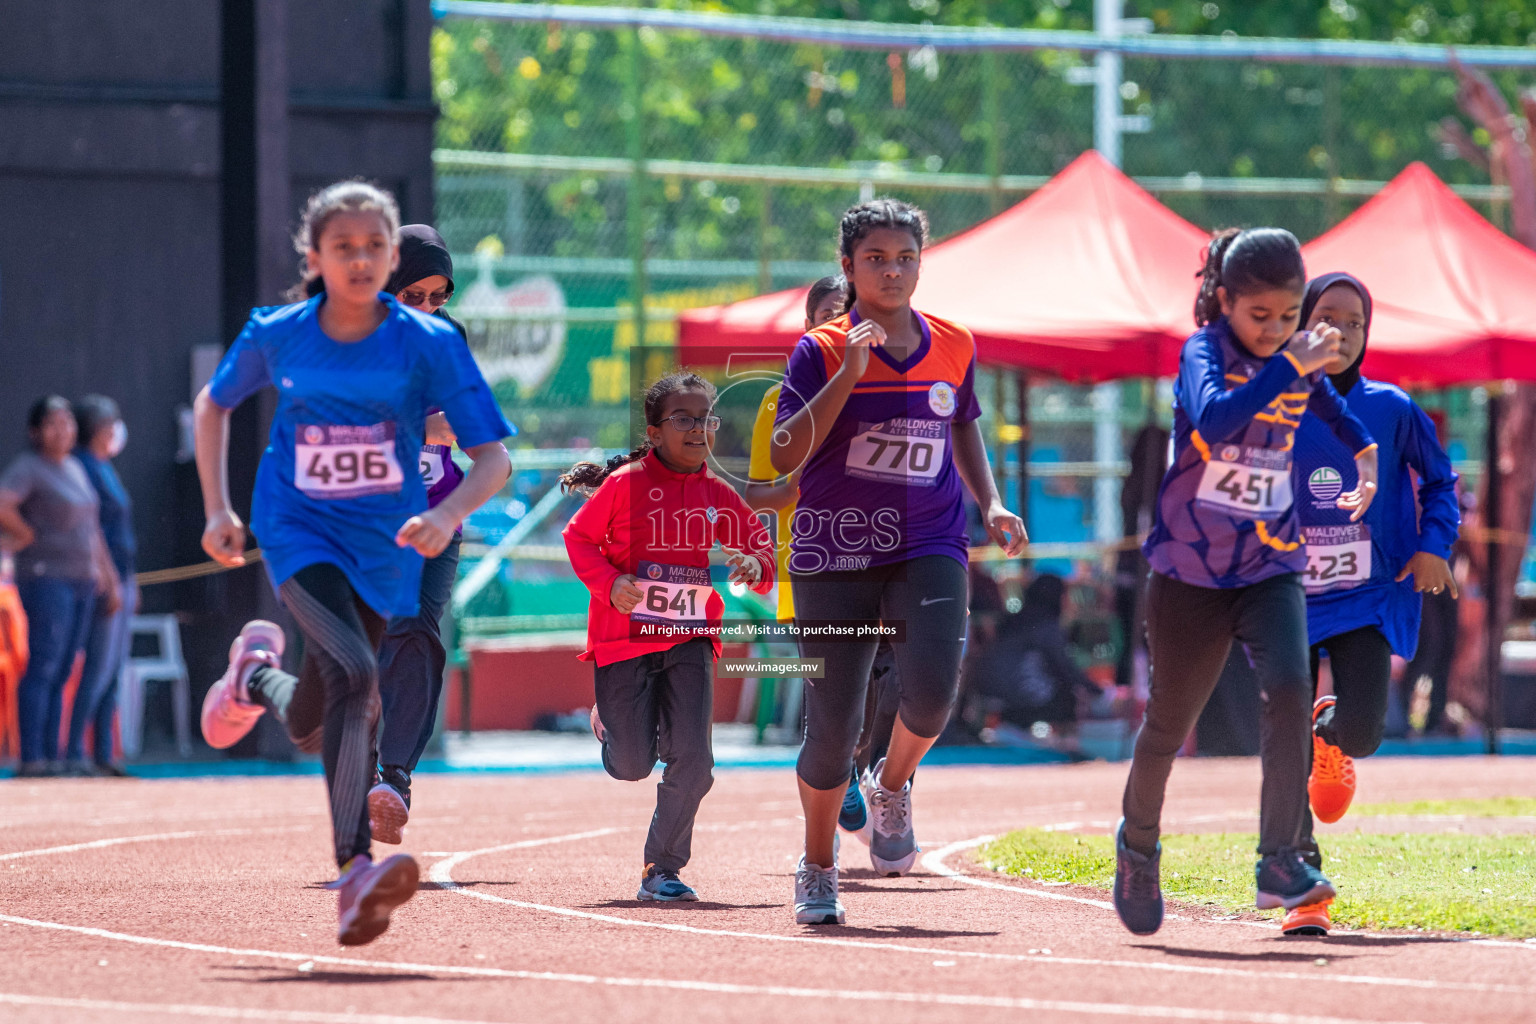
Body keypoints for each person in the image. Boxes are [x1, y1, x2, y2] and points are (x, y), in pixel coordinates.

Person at [193, 181, 513, 945]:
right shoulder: (279, 332)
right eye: (345, 247)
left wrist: (444, 513)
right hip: (298, 528)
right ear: (316, 258)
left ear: (390, 255)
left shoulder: (433, 343)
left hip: (390, 538)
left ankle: (254, 678)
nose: (362, 259)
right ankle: (354, 870)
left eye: (375, 246)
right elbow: (214, 406)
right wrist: (217, 509)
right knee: (360, 677)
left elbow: (493, 458)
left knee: (318, 706)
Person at [1113, 228, 1379, 937]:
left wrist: (1367, 453)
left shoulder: (1297, 356)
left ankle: (1281, 860)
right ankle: (1137, 845)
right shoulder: (1202, 353)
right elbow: (1217, 419)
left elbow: (1334, 409)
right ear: (1225, 301)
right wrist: (1287, 362)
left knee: (1292, 689)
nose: (1275, 331)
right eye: (1259, 316)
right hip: (1190, 576)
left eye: (1289, 316)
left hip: (1270, 565)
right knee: (1168, 724)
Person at [770, 198, 1026, 925]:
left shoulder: (954, 343)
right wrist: (848, 372)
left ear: (922, 262)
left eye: (906, 257)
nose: (893, 270)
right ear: (848, 266)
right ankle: (818, 865)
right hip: (835, 551)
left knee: (935, 693)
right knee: (832, 728)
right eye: (876, 258)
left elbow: (965, 425)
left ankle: (893, 783)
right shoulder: (819, 350)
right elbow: (786, 454)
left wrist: (993, 503)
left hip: (929, 541)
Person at [1283, 272, 1459, 936]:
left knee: (1366, 732)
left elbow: (1441, 481)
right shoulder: (1275, 401)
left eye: (1356, 322)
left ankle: (1333, 733)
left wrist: (1435, 543)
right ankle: (1304, 888)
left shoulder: (1392, 407)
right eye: (1328, 317)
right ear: (1302, 323)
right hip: (1286, 595)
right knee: (1280, 746)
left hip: (1365, 596)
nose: (1343, 332)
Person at [562, 371, 775, 902]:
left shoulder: (716, 493)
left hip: (691, 638)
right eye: (684, 419)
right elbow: (579, 538)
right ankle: (614, 729)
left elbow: (763, 551)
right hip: (624, 640)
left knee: (695, 761)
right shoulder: (624, 485)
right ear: (655, 432)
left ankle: (662, 868)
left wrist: (753, 562)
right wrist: (611, 584)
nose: (698, 429)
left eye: (705, 419)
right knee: (633, 765)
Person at [745, 274, 894, 842]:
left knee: (890, 688)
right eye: (829, 315)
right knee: (833, 699)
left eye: (850, 314)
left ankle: (867, 771)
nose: (843, 324)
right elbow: (758, 491)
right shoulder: (777, 400)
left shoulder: (892, 389)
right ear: (809, 328)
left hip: (885, 563)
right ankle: (827, 807)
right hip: (814, 568)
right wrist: (810, 483)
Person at [358, 225, 478, 845]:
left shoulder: (450, 337)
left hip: (439, 511)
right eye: (415, 296)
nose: (430, 309)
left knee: (421, 631)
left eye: (439, 297)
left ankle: (394, 778)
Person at [0, 396, 122, 778]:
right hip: (46, 578)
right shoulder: (30, 468)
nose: (62, 429)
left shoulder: (74, 467)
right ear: (35, 431)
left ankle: (55, 756)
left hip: (83, 581)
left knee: (65, 667)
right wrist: (25, 533)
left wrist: (108, 576)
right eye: (52, 423)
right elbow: (3, 503)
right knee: (44, 665)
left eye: (67, 422)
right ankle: (32, 757)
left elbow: (93, 528)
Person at [66, 395, 139, 776]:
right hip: (102, 581)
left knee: (113, 671)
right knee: (97, 667)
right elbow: (93, 531)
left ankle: (104, 753)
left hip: (124, 579)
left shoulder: (104, 466)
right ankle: (76, 750)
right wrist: (111, 581)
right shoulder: (83, 467)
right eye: (112, 423)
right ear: (98, 427)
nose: (117, 430)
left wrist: (131, 582)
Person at [975, 574, 1100, 738]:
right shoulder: (1046, 625)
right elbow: (1065, 668)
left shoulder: (1016, 620)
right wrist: (1098, 692)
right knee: (1067, 695)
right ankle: (1060, 740)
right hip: (1019, 696)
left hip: (988, 690)